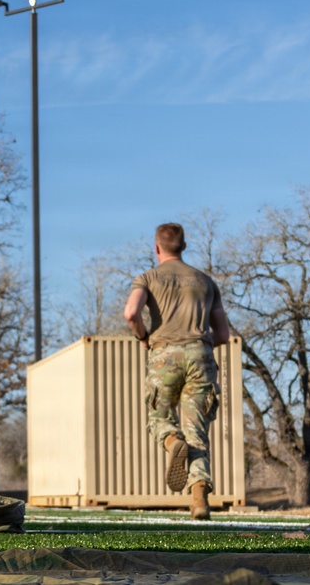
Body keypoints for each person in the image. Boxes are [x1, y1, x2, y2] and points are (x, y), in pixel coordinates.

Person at [123, 223, 229, 520]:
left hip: (163, 355)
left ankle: (171, 441)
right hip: (201, 354)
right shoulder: (206, 282)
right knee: (197, 429)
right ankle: (199, 500)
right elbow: (223, 334)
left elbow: (131, 313)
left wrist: (144, 337)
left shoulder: (147, 278)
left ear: (156, 248)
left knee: (160, 418)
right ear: (184, 246)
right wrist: (199, 342)